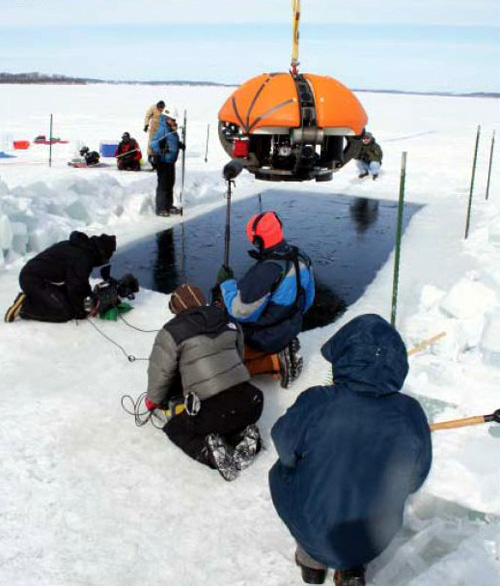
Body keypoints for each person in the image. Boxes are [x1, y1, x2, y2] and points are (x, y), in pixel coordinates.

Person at [269, 314, 432, 586]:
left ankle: (312, 563)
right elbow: (415, 480)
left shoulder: (318, 401)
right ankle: (352, 569)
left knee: (280, 472)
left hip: (315, 530)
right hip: (375, 536)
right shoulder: (410, 412)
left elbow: (284, 445)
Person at [145, 283, 264, 481]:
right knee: (231, 415)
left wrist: (153, 400)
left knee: (175, 427)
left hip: (213, 413)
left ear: (177, 309)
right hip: (251, 401)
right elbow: (239, 356)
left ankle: (209, 452)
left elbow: (161, 373)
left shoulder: (172, 331)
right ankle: (243, 433)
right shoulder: (227, 319)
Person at [218, 211, 315, 388]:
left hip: (266, 336)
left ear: (258, 240)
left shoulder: (267, 270)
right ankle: (283, 347)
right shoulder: (300, 257)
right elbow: (308, 300)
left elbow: (240, 311)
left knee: (223, 364)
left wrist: (226, 284)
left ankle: (275, 360)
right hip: (292, 325)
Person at [4, 231, 117, 323]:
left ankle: (35, 298)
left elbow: (79, 282)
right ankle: (25, 307)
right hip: (33, 280)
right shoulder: (82, 257)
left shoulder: (81, 248)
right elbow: (75, 286)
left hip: (39, 278)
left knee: (68, 299)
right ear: (102, 253)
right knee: (66, 311)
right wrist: (80, 311)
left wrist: (89, 296)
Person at [150, 115, 181, 216]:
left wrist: (179, 144)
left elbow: (172, 141)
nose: (174, 121)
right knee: (163, 185)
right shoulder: (163, 129)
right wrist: (160, 150)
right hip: (163, 161)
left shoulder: (171, 129)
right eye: (173, 119)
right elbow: (153, 143)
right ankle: (161, 208)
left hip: (170, 161)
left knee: (170, 184)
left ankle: (168, 205)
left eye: (175, 120)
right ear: (167, 119)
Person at [144, 100, 167, 166]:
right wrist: (146, 125)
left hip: (163, 129)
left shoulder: (166, 109)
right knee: (151, 142)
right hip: (153, 129)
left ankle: (162, 157)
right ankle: (150, 156)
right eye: (159, 108)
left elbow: (170, 118)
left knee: (162, 143)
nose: (160, 109)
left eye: (161, 108)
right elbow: (147, 116)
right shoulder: (153, 108)